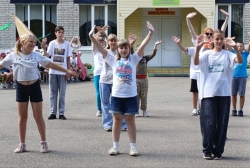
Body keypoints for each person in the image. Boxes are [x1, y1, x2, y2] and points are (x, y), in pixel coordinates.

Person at [0, 34, 75, 153]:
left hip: (35, 87)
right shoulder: (13, 56)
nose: (33, 44)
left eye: (34, 42)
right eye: (30, 41)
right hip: (21, 88)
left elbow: (50, 64)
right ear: (23, 42)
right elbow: (1, 65)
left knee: (38, 117)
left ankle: (44, 143)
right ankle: (22, 144)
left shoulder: (36, 55)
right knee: (22, 118)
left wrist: (66, 70)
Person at [89, 21, 154, 156]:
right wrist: (91, 37)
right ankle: (115, 146)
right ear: (118, 49)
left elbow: (142, 46)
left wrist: (150, 33)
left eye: (126, 48)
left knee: (130, 121)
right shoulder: (113, 60)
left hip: (130, 96)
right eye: (121, 48)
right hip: (117, 96)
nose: (123, 50)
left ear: (129, 49)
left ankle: (133, 147)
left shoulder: (134, 59)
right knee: (116, 121)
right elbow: (101, 49)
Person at [194, 30, 242, 160]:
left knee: (221, 123)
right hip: (208, 93)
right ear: (212, 41)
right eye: (217, 39)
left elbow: (239, 60)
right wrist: (198, 49)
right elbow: (196, 62)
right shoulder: (207, 54)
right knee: (209, 122)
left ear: (224, 40)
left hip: (224, 93)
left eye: (221, 39)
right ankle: (207, 149)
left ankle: (218, 150)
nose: (219, 41)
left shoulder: (227, 54)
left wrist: (235, 48)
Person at [97, 31, 127, 132]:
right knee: (105, 103)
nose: (113, 42)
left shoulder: (120, 53)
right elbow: (97, 47)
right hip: (105, 80)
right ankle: (108, 124)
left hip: (117, 81)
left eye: (114, 41)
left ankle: (123, 124)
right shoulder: (104, 51)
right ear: (108, 42)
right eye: (111, 41)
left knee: (119, 102)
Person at [43, 26, 72, 120]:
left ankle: (61, 113)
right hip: (53, 71)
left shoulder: (67, 44)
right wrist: (43, 49)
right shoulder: (52, 43)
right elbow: (48, 55)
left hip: (63, 72)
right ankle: (53, 112)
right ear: (55, 33)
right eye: (58, 32)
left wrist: (68, 71)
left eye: (62, 32)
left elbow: (68, 58)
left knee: (62, 93)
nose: (60, 34)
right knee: (52, 93)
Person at [172, 36, 200, 116]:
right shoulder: (193, 49)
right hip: (195, 74)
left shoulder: (208, 50)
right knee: (195, 92)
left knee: (203, 93)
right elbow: (184, 49)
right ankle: (195, 109)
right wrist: (178, 43)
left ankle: (201, 108)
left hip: (204, 75)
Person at [135, 40, 162, 117]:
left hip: (144, 79)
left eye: (142, 50)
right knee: (136, 96)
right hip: (136, 80)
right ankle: (136, 111)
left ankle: (144, 110)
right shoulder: (134, 59)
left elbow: (153, 54)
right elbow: (131, 50)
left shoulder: (145, 58)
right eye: (139, 50)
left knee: (144, 95)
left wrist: (155, 45)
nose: (141, 52)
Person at [230, 42, 249, 117]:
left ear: (243, 47)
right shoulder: (233, 53)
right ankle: (234, 109)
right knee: (233, 94)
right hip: (233, 77)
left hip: (242, 77)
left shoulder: (245, 54)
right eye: (238, 46)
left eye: (241, 46)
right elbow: (228, 46)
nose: (239, 47)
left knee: (242, 94)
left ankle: (240, 109)